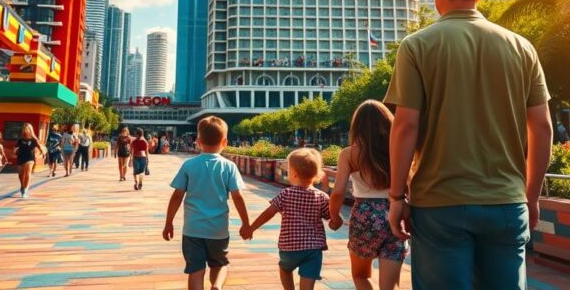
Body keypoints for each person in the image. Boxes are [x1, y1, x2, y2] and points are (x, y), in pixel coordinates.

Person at [384, 0, 553, 290]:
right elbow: (542, 127)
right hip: (506, 201)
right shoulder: (522, 47)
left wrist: (396, 198)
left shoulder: (417, 46)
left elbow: (405, 126)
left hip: (439, 203)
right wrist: (531, 196)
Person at [163, 116, 250, 290]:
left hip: (192, 229)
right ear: (224, 141)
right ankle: (217, 285)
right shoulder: (228, 166)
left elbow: (176, 196)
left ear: (198, 141)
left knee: (196, 271)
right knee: (219, 265)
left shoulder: (189, 165)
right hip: (218, 229)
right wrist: (246, 223)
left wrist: (168, 223)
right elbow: (238, 197)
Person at [328, 101, 406, 290]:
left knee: (360, 275)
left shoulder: (349, 155)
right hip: (395, 212)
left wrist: (334, 216)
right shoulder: (398, 151)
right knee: (390, 286)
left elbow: (337, 192)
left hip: (365, 215)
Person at [244, 148, 330, 290]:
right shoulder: (321, 197)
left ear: (294, 173)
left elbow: (268, 213)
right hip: (313, 249)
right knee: (308, 281)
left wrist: (251, 227)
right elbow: (330, 217)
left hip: (289, 248)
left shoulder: (286, 193)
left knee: (284, 269)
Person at [15, 123, 44, 198]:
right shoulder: (20, 139)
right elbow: (15, 147)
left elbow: (40, 147)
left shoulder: (34, 139)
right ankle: (22, 185)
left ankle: (25, 189)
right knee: (20, 174)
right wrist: (14, 151)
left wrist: (42, 153)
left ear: (30, 130)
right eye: (24, 129)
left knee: (28, 172)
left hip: (30, 157)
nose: (26, 130)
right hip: (21, 157)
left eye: (27, 129)